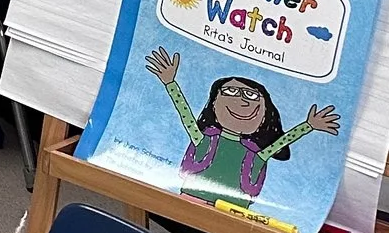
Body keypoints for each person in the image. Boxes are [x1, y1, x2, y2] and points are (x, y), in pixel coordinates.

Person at [145, 46, 338, 207]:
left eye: (251, 95)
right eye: (230, 91)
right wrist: (170, 83)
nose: (240, 100)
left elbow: (279, 144)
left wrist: (309, 125)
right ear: (213, 103)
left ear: (265, 115)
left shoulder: (255, 154)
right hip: (193, 202)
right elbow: (186, 116)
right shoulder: (206, 140)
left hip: (233, 213)